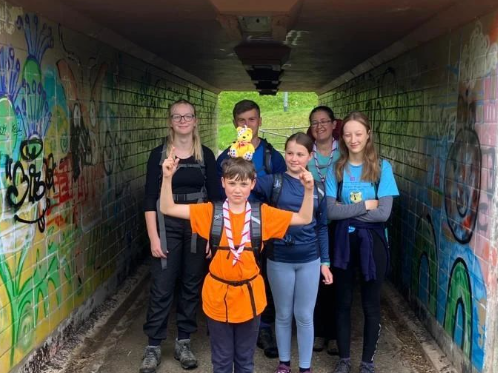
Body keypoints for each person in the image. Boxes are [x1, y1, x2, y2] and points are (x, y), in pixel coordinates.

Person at [160, 152, 316, 373]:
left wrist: (309, 191)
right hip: (217, 296)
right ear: (222, 182)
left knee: (245, 361)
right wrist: (167, 178)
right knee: (222, 362)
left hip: (250, 297)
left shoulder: (262, 214)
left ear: (252, 184)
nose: (237, 189)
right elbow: (168, 208)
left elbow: (304, 218)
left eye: (243, 184)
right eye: (231, 183)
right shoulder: (210, 213)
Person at [141, 99, 221, 373]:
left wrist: (212, 234)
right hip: (166, 226)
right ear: (170, 121)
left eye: (188, 116)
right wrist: (153, 238)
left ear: (196, 121)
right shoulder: (159, 155)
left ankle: (183, 342)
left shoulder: (205, 155)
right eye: (177, 117)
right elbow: (150, 199)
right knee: (162, 285)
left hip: (198, 226)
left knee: (190, 285)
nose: (183, 121)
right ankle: (153, 346)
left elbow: (216, 199)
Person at [252, 132, 333, 373]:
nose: (294, 159)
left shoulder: (318, 189)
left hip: (309, 258)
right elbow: (246, 191)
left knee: (304, 315)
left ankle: (305, 367)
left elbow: (321, 227)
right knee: (284, 314)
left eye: (300, 154)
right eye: (289, 153)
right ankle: (284, 363)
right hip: (279, 258)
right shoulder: (273, 182)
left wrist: (325, 262)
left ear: (310, 156)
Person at [325, 111, 399, 373]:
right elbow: (330, 211)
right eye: (347, 134)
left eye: (358, 133)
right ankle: (344, 360)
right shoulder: (337, 168)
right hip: (344, 242)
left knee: (370, 303)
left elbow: (384, 214)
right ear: (342, 138)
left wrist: (350, 209)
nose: (353, 139)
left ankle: (367, 362)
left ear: (368, 134)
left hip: (373, 244)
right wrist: (366, 204)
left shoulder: (382, 168)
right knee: (343, 301)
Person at [217, 99, 286, 358]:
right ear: (235, 123)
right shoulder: (226, 155)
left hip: (262, 227)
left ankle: (264, 327)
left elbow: (283, 187)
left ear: (260, 121)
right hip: (231, 229)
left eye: (252, 119)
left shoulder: (272, 156)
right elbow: (217, 193)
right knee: (233, 275)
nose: (247, 124)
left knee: (263, 278)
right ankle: (230, 321)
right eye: (242, 120)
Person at [306, 106, 340, 355]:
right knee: (316, 279)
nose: (319, 126)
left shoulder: (347, 150)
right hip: (314, 222)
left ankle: (337, 334)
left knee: (339, 279)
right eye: (314, 122)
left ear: (334, 124)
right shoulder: (307, 153)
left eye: (324, 121)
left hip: (340, 222)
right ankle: (319, 332)